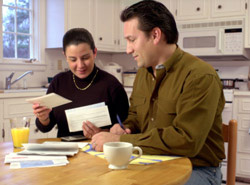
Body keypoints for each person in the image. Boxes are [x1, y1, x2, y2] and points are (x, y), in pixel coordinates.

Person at [91, 1, 225, 184]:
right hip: (153, 161)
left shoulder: (200, 76)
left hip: (198, 169)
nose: (128, 49)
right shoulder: (143, 73)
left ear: (155, 35)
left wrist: (122, 138)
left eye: (132, 40)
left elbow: (186, 141)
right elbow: (136, 116)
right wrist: (125, 127)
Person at [32, 28, 129, 138]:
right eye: (73, 59)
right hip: (65, 150)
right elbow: (45, 128)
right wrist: (43, 118)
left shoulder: (111, 85)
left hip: (101, 150)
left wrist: (104, 133)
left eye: (85, 58)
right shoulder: (58, 82)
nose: (80, 65)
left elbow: (127, 126)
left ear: (94, 52)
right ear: (65, 56)